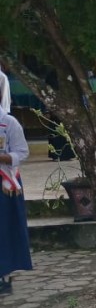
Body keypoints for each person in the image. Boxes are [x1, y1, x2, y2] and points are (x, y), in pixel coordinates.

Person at [1, 103, 32, 295]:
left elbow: (22, 152)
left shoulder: (9, 123)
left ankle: (4, 274)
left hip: (4, 184)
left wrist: (3, 158)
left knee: (4, 229)